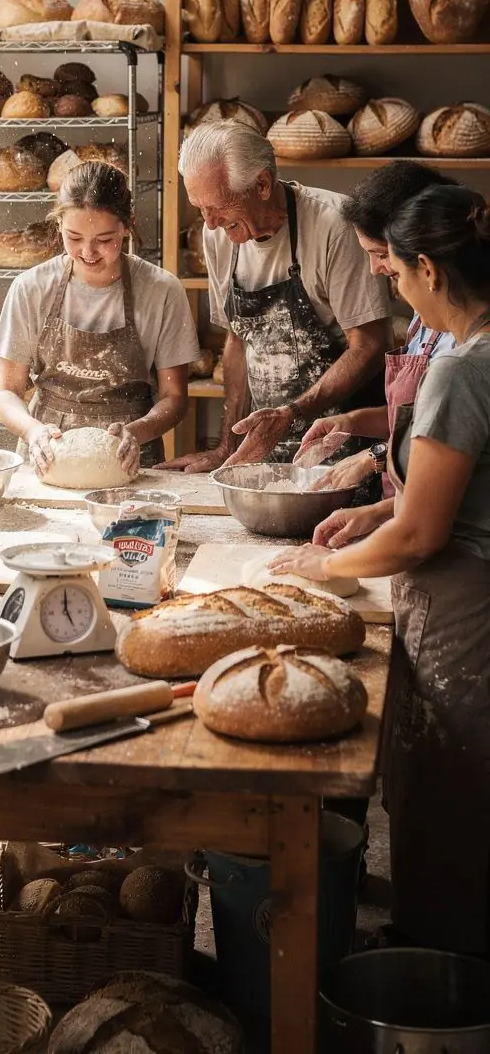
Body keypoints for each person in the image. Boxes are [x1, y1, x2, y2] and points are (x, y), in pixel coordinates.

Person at [270, 184, 490, 955]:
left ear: (428, 269)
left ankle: (438, 973)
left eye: (393, 275)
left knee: (447, 798)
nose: (392, 291)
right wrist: (375, 517)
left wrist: (325, 567)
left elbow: (422, 533)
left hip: (465, 610)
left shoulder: (464, 368)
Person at [160, 122, 391, 471]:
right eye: (199, 208)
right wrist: (227, 448)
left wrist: (293, 414)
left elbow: (370, 347)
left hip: (346, 449)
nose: (208, 223)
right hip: (266, 447)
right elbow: (237, 340)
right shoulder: (218, 236)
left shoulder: (334, 225)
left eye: (217, 207)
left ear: (262, 184)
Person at [0, 162, 200, 473]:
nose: (88, 252)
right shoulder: (31, 288)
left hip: (129, 454)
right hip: (49, 453)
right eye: (74, 237)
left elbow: (174, 398)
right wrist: (33, 431)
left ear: (127, 226)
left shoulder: (162, 290)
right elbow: (7, 393)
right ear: (58, 223)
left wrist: (136, 433)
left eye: (104, 240)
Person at [296, 162, 458, 548]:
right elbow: (415, 419)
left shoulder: (467, 341)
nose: (373, 269)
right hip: (405, 518)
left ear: (422, 253)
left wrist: (373, 457)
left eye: (381, 253)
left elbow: (452, 457)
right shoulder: (424, 314)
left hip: (445, 539)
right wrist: (349, 423)